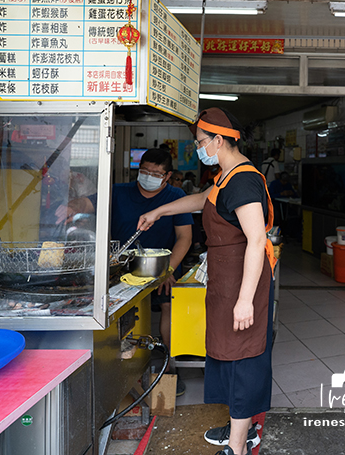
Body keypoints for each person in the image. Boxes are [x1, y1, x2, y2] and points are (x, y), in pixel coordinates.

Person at [138, 108, 275, 455]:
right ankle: (238, 425)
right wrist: (159, 211)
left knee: (244, 356)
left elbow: (256, 241)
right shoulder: (224, 176)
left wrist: (245, 300)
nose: (199, 149)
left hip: (244, 281)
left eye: (201, 142)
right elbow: (203, 200)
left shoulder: (243, 179)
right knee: (227, 352)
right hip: (226, 278)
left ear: (218, 140)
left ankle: (239, 445)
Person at [56, 149, 193, 394]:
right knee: (120, 312)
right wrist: (71, 206)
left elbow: (184, 237)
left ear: (168, 175)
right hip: (121, 267)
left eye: (156, 173)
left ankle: (169, 367)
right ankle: (119, 368)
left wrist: (168, 268)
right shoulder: (119, 192)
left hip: (163, 267)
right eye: (145, 171)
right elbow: (88, 202)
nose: (149, 176)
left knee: (168, 308)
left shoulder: (176, 196)